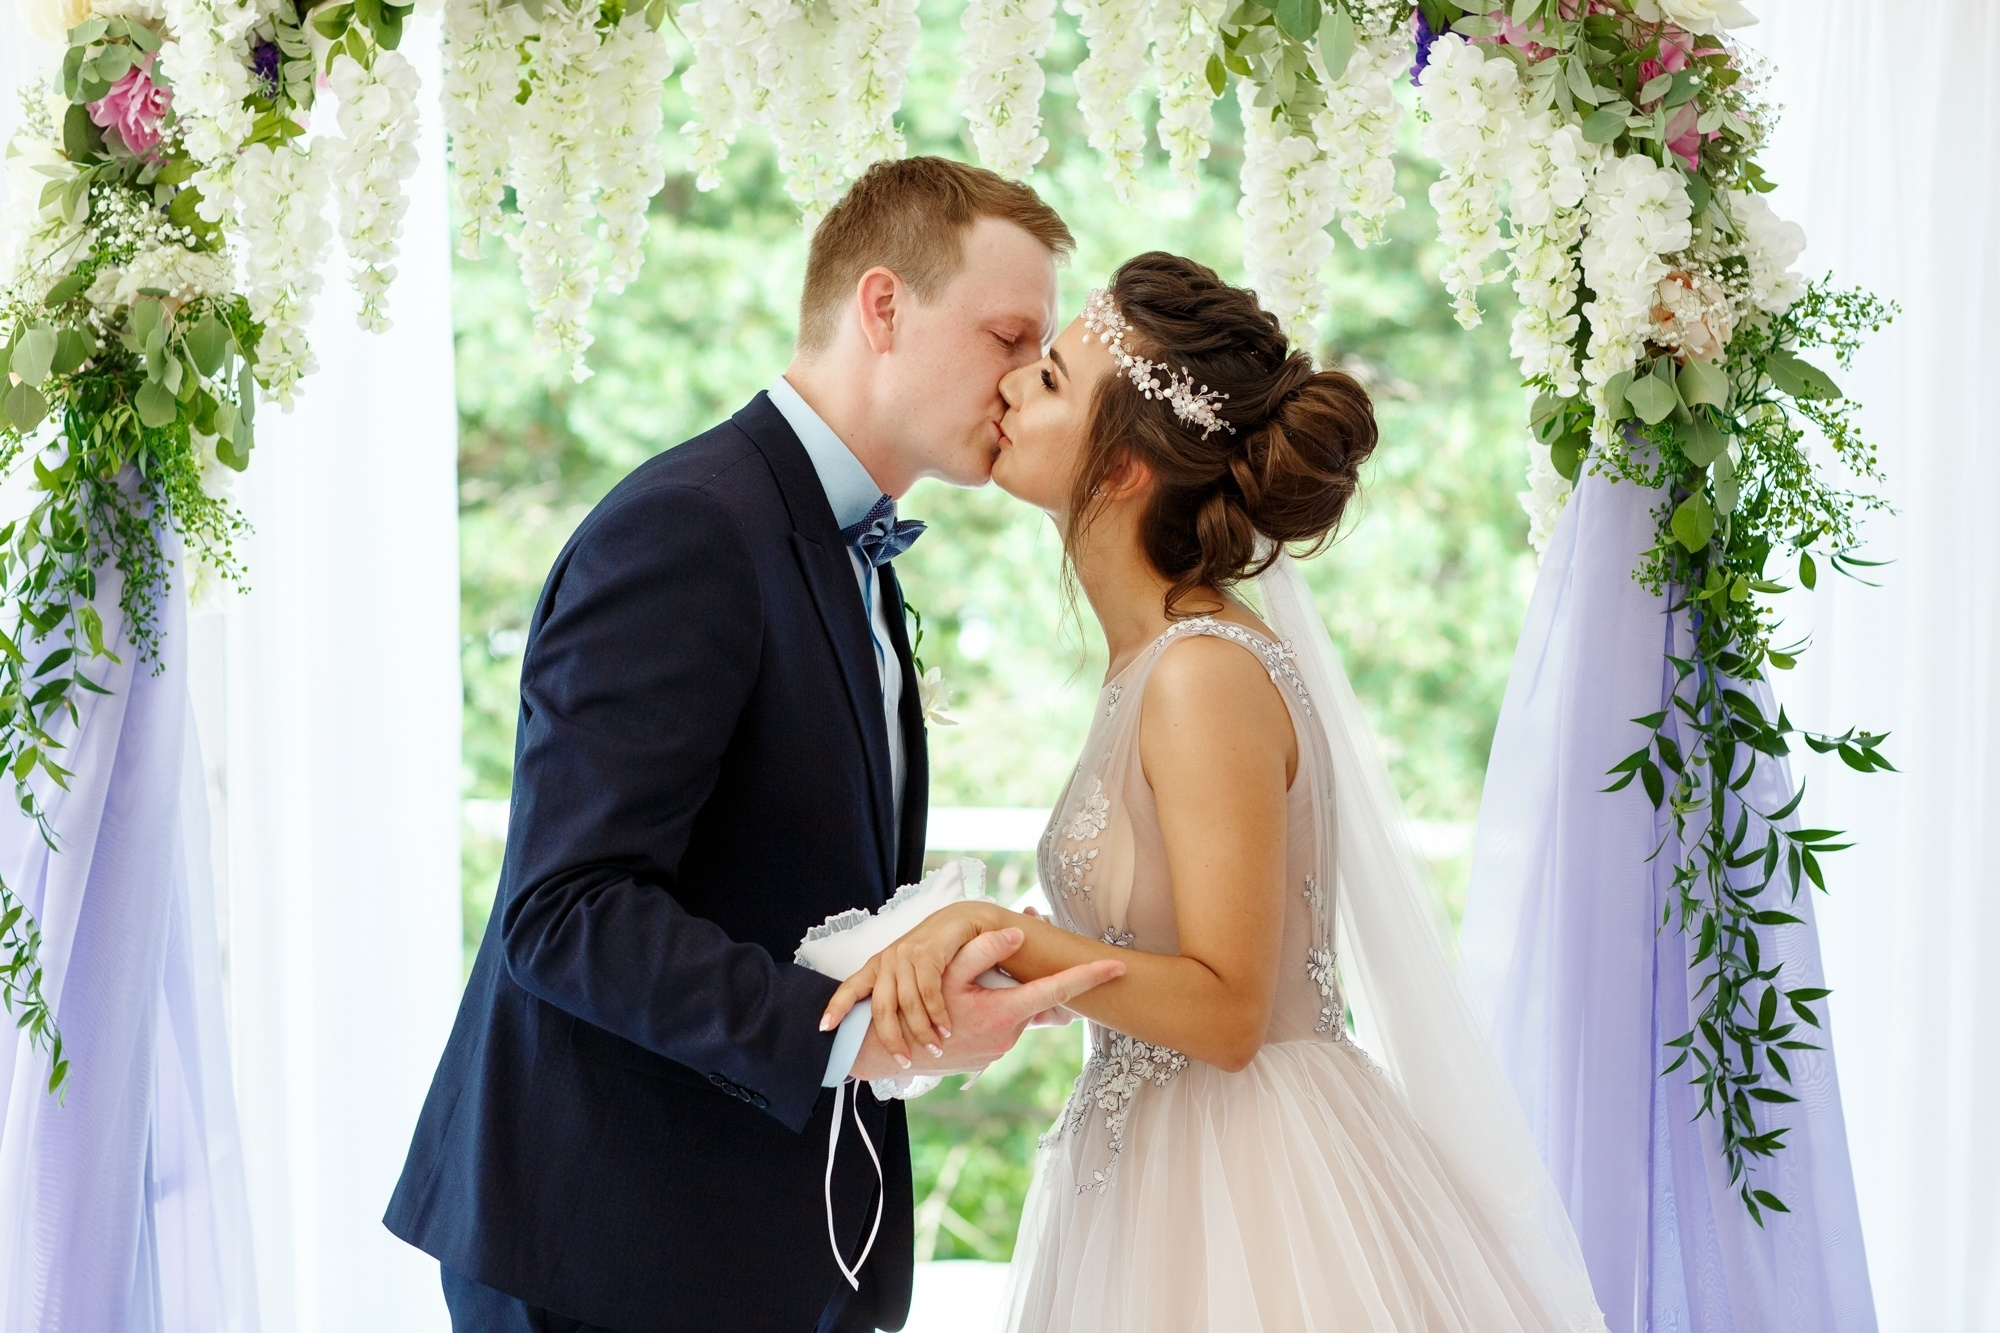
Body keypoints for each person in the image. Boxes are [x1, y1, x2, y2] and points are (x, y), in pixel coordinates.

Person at [383, 158, 1122, 1333]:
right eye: (1005, 334)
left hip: (741, 1238)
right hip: (606, 1249)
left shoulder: (845, 549)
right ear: (881, 307)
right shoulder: (689, 527)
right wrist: (870, 1030)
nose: (1025, 378)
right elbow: (564, 909)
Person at [822, 253, 1610, 1331]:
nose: (1006, 385)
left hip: (1248, 1190)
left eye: (1047, 379)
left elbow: (1230, 1008)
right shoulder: (1152, 654)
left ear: (1122, 471)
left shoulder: (1200, 673)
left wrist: (992, 931)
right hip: (1150, 1161)